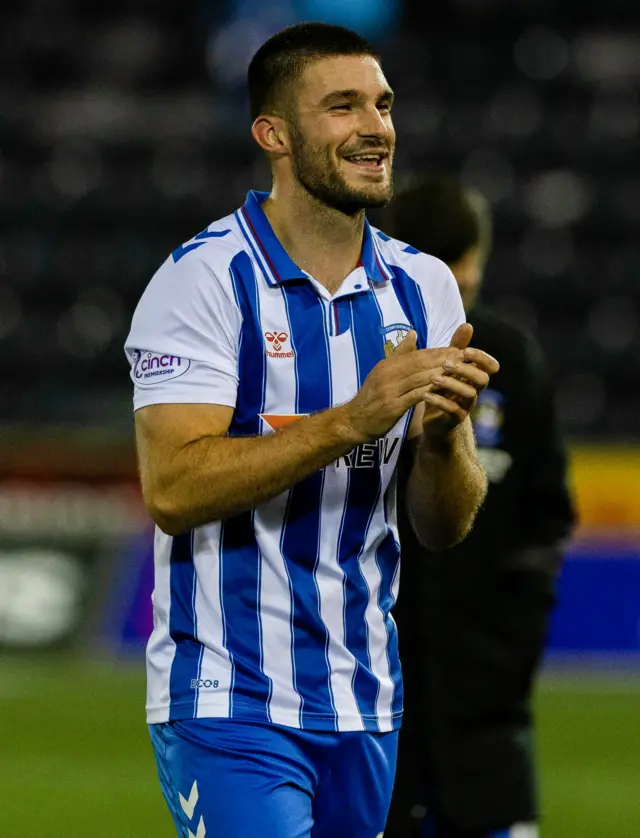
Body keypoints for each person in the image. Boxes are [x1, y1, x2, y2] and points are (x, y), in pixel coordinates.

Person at [125, 25, 499, 838]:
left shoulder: (426, 287)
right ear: (275, 135)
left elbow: (443, 524)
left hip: (365, 699)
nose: (377, 126)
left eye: (383, 104)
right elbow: (175, 490)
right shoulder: (201, 282)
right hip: (229, 698)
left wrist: (442, 441)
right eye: (343, 106)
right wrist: (352, 421)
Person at [384, 175, 576, 838]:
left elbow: (544, 522)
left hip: (486, 729)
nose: (452, 304)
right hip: (372, 714)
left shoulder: (511, 363)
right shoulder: (353, 364)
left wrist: (510, 650)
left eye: (462, 286)